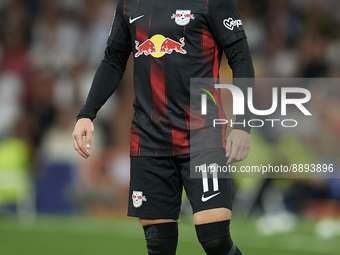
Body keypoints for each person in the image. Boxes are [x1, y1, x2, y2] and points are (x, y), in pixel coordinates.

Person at [72, 0, 254, 254]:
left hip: (203, 135)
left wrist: (243, 124)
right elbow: (113, 60)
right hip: (149, 138)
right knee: (159, 244)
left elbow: (241, 58)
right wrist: (86, 114)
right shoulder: (129, 4)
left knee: (214, 238)